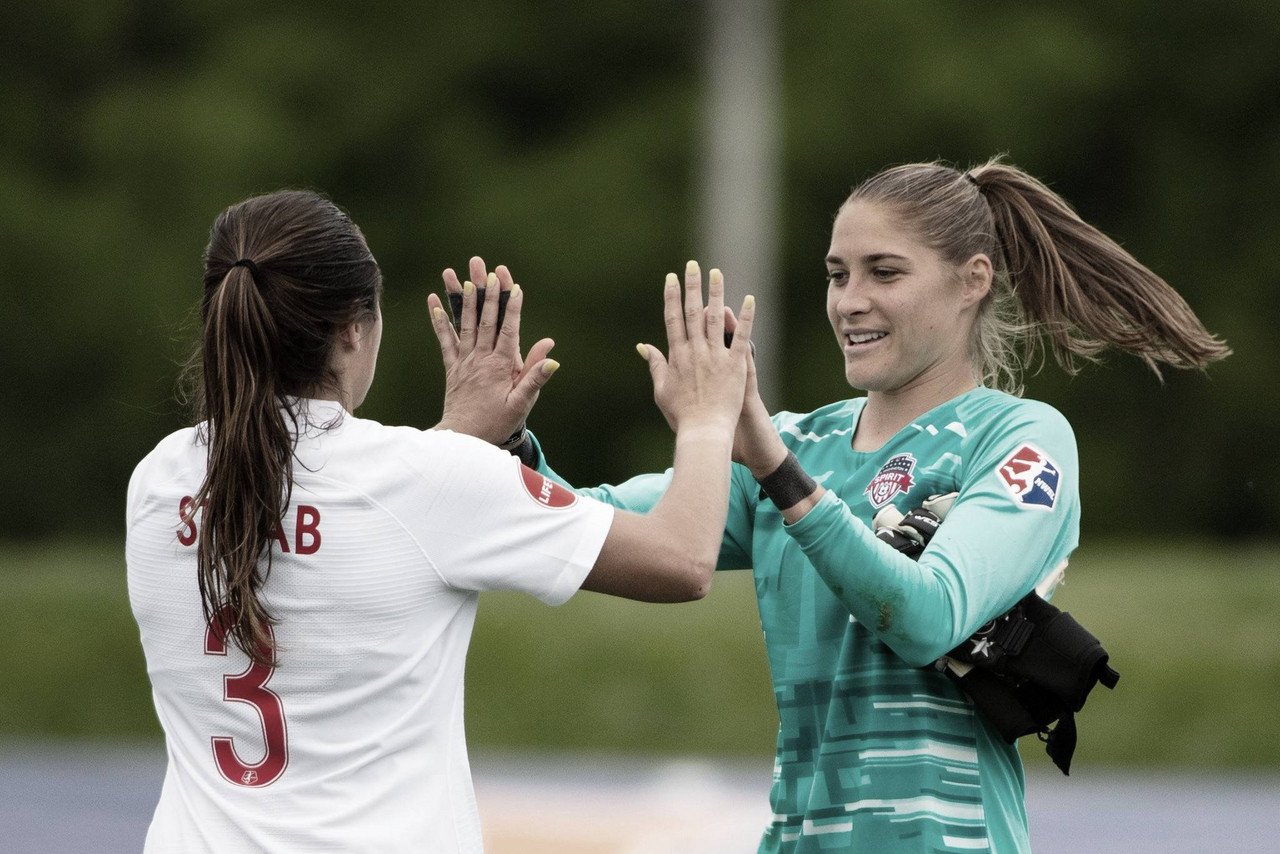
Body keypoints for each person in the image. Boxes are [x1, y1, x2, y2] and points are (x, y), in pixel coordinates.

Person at [446, 158, 1230, 852]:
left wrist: (777, 472)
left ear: (973, 280)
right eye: (836, 274)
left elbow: (930, 616)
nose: (849, 301)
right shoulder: (796, 442)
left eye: (884, 273)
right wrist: (507, 442)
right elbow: (596, 520)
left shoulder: (1022, 438)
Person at [124, 188, 755, 852]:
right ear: (350, 332)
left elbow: (345, 519)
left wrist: (455, 442)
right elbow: (682, 559)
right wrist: (710, 414)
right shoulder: (429, 483)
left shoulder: (157, 482)